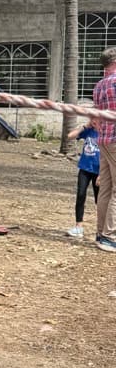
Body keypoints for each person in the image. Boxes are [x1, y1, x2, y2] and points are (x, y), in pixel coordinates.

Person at [93, 47, 116, 253]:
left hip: (103, 139)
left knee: (106, 189)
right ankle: (110, 236)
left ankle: (101, 234)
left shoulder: (100, 85)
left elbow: (96, 117)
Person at [65, 123, 100, 240]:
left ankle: (101, 229)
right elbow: (70, 136)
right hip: (85, 169)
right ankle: (78, 227)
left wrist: (103, 173)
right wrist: (84, 127)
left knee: (100, 201)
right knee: (80, 195)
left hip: (99, 171)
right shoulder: (88, 131)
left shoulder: (107, 133)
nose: (93, 120)